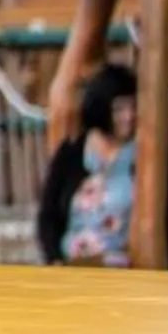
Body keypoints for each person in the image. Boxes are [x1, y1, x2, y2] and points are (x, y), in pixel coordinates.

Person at [37, 61, 137, 267]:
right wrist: (54, 258)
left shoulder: (141, 152)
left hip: (120, 266)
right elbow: (49, 213)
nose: (128, 116)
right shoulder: (72, 151)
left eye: (132, 107)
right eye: (119, 109)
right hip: (71, 264)